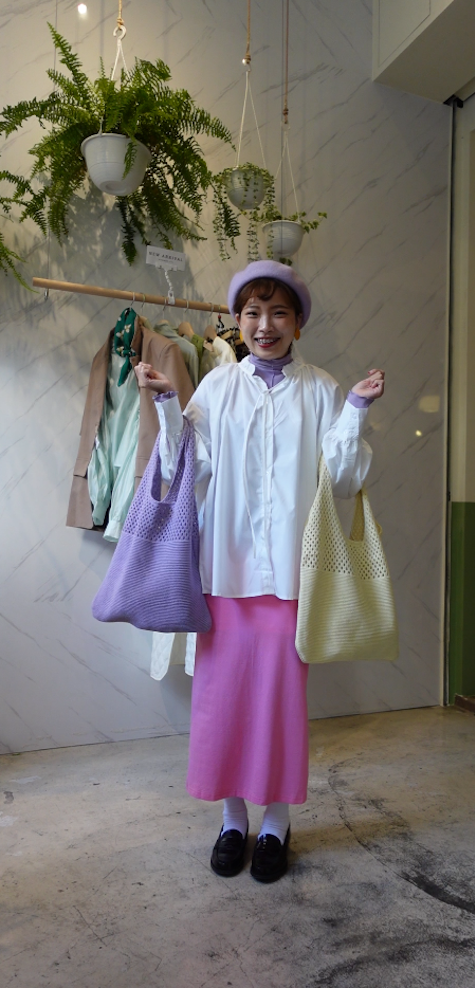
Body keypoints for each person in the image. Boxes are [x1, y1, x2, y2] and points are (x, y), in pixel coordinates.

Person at [134, 260, 385, 883]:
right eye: (252, 313)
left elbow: (343, 480)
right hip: (224, 573)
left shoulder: (321, 389)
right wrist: (167, 402)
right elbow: (186, 465)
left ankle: (275, 823)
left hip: (291, 580)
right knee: (220, 704)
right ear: (238, 321)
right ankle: (231, 819)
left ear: (298, 322)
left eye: (278, 312)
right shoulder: (218, 387)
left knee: (280, 704)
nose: (264, 325)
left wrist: (355, 408)